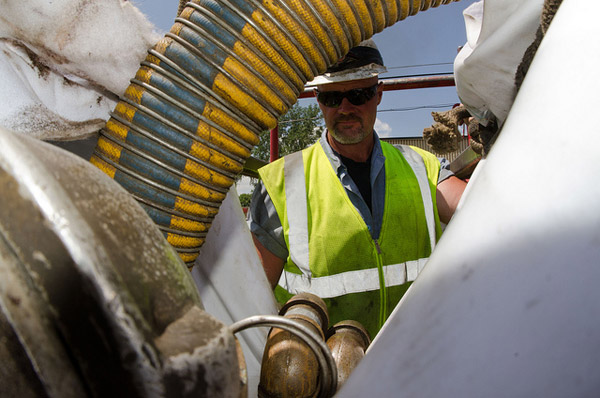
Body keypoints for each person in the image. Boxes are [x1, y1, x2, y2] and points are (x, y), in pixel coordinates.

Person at [248, 40, 467, 338]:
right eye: (332, 98)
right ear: (317, 99)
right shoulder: (279, 183)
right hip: (322, 376)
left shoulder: (423, 168)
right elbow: (250, 301)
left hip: (418, 360)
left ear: (378, 95)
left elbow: (481, 208)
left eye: (358, 94)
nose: (345, 108)